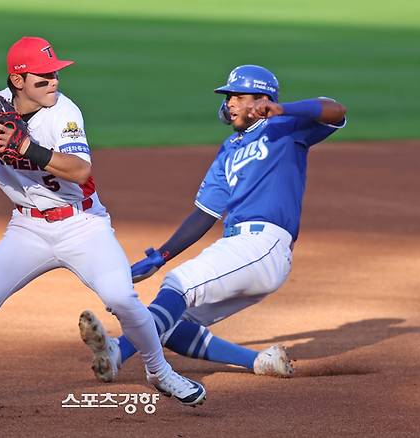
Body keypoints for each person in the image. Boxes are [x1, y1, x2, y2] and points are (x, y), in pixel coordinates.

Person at [0, 36, 205, 412]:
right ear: (18, 81)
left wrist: (27, 148)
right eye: (43, 78)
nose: (53, 83)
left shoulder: (64, 113)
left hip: (83, 225)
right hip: (27, 230)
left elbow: (81, 171)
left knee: (122, 299)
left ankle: (160, 372)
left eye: (55, 75)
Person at [78, 64, 347, 383]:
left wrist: (282, 109)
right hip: (242, 248)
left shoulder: (288, 127)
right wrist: (161, 257)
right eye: (228, 96)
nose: (230, 102)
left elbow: (335, 110)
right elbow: (205, 214)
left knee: (179, 286)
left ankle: (117, 353)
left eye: (238, 95)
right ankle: (260, 361)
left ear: (262, 98)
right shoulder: (228, 151)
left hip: (263, 244)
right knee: (170, 326)